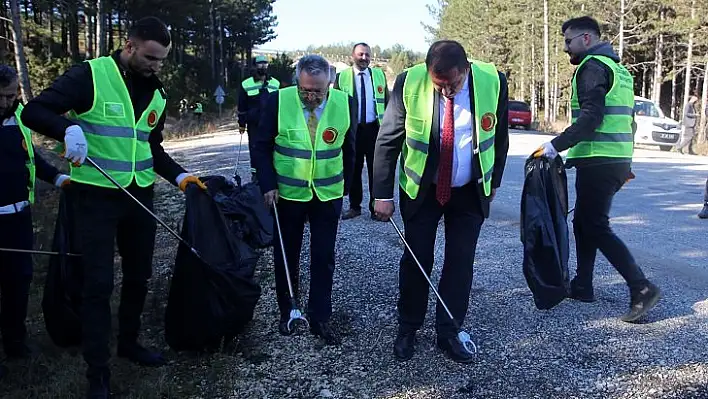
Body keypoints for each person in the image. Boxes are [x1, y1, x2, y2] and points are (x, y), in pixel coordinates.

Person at [21, 16, 206, 398]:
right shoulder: (90, 75)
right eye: (151, 58)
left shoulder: (157, 92)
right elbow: (33, 112)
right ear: (129, 46)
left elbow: (150, 147)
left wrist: (180, 177)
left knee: (139, 275)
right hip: (95, 197)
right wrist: (67, 129)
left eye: (162, 60)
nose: (156, 66)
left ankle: (129, 342)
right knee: (98, 283)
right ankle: (97, 372)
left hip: (139, 197)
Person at [372, 40, 509, 363]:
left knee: (460, 263)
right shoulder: (409, 81)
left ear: (466, 69)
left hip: (469, 192)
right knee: (417, 260)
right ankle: (408, 327)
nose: (446, 91)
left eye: (453, 84)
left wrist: (492, 185)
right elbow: (388, 139)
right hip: (422, 190)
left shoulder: (493, 81)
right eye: (439, 85)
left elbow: (500, 137)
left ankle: (449, 331)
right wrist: (381, 194)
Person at [534, 16, 660, 322]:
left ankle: (641, 287)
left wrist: (555, 145)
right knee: (584, 223)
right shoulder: (619, 70)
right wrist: (624, 163)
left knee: (595, 225)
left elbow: (591, 118)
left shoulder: (591, 67)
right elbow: (628, 121)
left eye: (568, 41)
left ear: (587, 39)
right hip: (610, 160)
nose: (566, 48)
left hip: (601, 159)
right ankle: (583, 285)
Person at [252, 54, 356, 345]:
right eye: (305, 89)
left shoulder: (345, 103)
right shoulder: (277, 101)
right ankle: (288, 309)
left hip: (327, 194)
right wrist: (268, 184)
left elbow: (350, 149)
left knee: (324, 257)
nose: (311, 96)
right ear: (297, 80)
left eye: (317, 91)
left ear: (329, 84)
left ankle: (320, 315)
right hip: (287, 194)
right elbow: (261, 147)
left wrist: (345, 186)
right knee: (287, 255)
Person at [0, 65, 69, 379]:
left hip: (19, 217)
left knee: (19, 280)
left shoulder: (19, 117)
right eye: (1, 96)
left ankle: (15, 344)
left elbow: (32, 160)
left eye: (12, 94)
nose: (7, 101)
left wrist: (58, 178)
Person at [334, 43, 389, 221]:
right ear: (353, 56)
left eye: (367, 54)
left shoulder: (379, 75)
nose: (364, 58)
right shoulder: (341, 77)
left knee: (377, 171)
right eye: (360, 54)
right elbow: (335, 105)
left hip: (375, 129)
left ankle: (376, 208)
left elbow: (387, 102)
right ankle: (354, 207)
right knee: (353, 169)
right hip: (353, 131)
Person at [238, 55, 281, 181]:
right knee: (255, 149)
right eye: (259, 64)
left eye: (265, 63)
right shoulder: (246, 84)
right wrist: (241, 123)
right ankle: (256, 176)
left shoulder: (275, 83)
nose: (263, 66)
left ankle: (273, 174)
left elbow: (280, 103)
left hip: (273, 123)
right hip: (254, 124)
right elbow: (242, 105)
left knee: (273, 147)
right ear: (254, 66)